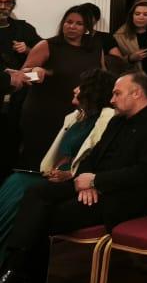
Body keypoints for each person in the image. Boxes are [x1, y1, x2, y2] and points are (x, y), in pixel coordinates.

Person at [0, 71, 147, 283]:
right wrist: (85, 178)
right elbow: (93, 158)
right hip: (94, 186)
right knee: (37, 193)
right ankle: (16, 267)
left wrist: (97, 182)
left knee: (42, 216)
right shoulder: (117, 122)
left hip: (129, 198)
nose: (112, 98)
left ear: (137, 93)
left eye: (117, 93)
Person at [0, 69, 114, 262]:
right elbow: (63, 156)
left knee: (22, 186)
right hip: (54, 177)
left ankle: (9, 260)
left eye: (81, 86)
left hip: (75, 181)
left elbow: (96, 161)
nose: (75, 89)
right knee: (15, 181)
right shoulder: (75, 118)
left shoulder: (107, 119)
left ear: (92, 91)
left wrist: (68, 174)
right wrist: (56, 171)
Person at [14, 5, 106, 170]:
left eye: (78, 23)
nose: (72, 26)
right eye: (68, 22)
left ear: (86, 28)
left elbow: (102, 76)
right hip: (44, 113)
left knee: (64, 162)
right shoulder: (47, 45)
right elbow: (22, 76)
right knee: (38, 161)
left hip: (77, 114)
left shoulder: (95, 47)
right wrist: (37, 72)